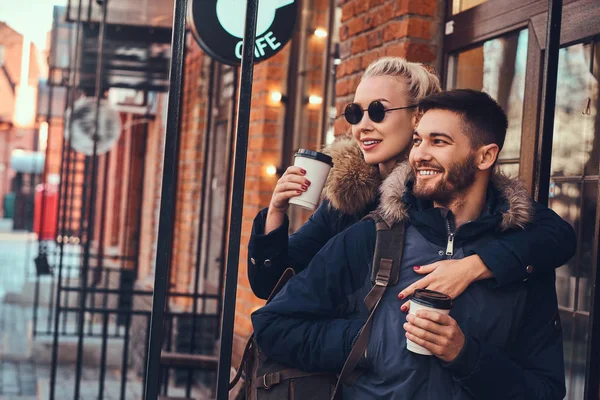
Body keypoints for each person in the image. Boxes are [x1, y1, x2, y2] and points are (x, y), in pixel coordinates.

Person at [252, 89, 566, 399]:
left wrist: (466, 356)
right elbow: (273, 326)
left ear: (485, 156)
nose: (419, 154)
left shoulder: (522, 260)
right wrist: (368, 340)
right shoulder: (370, 237)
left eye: (438, 141)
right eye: (417, 140)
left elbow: (546, 390)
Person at [248, 57, 575, 301]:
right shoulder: (349, 196)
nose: (362, 126)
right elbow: (270, 285)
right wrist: (276, 213)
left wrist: (476, 265)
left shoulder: (448, 186)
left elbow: (557, 236)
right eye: (354, 113)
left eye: (377, 111)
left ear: (418, 116)